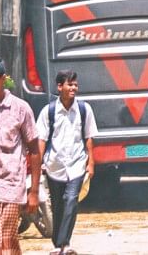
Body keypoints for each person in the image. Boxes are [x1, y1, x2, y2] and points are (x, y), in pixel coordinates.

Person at [36, 70, 98, 255]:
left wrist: (91, 162)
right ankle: (58, 245)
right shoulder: (49, 111)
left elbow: (89, 137)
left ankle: (64, 243)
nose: (73, 88)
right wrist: (38, 164)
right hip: (54, 166)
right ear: (59, 87)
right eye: (70, 84)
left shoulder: (84, 109)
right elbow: (41, 140)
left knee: (71, 200)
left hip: (77, 165)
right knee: (57, 206)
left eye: (75, 85)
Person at [0, 55, 41, 255]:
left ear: (3, 79)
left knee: (6, 239)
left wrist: (34, 191)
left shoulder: (20, 109)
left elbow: (35, 150)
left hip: (11, 187)